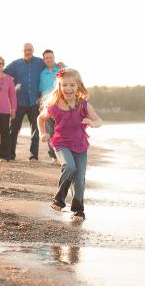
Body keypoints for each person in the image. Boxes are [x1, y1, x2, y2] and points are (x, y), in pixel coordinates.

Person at [38, 68, 102, 221]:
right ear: (59, 87)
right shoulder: (54, 106)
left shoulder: (84, 105)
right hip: (61, 143)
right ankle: (59, 199)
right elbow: (41, 118)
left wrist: (92, 122)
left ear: (78, 86)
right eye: (64, 85)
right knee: (70, 167)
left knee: (79, 179)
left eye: (72, 85)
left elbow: (99, 121)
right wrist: (42, 133)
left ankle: (78, 210)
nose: (68, 88)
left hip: (80, 145)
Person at [3, 43, 45, 161]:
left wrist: (61, 65)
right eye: (25, 50)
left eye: (30, 50)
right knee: (14, 129)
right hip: (19, 101)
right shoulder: (16, 64)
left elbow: (53, 67)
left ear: (33, 50)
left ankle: (33, 156)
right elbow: (2, 71)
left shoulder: (40, 62)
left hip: (35, 102)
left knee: (35, 130)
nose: (27, 52)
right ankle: (10, 155)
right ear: (22, 51)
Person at [39, 49, 61, 163]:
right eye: (46, 58)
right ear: (44, 60)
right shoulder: (43, 73)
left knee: (61, 131)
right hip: (48, 105)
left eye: (50, 57)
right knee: (50, 131)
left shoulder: (61, 70)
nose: (48, 59)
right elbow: (42, 91)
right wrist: (43, 106)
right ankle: (53, 156)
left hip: (61, 105)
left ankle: (62, 154)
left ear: (54, 57)